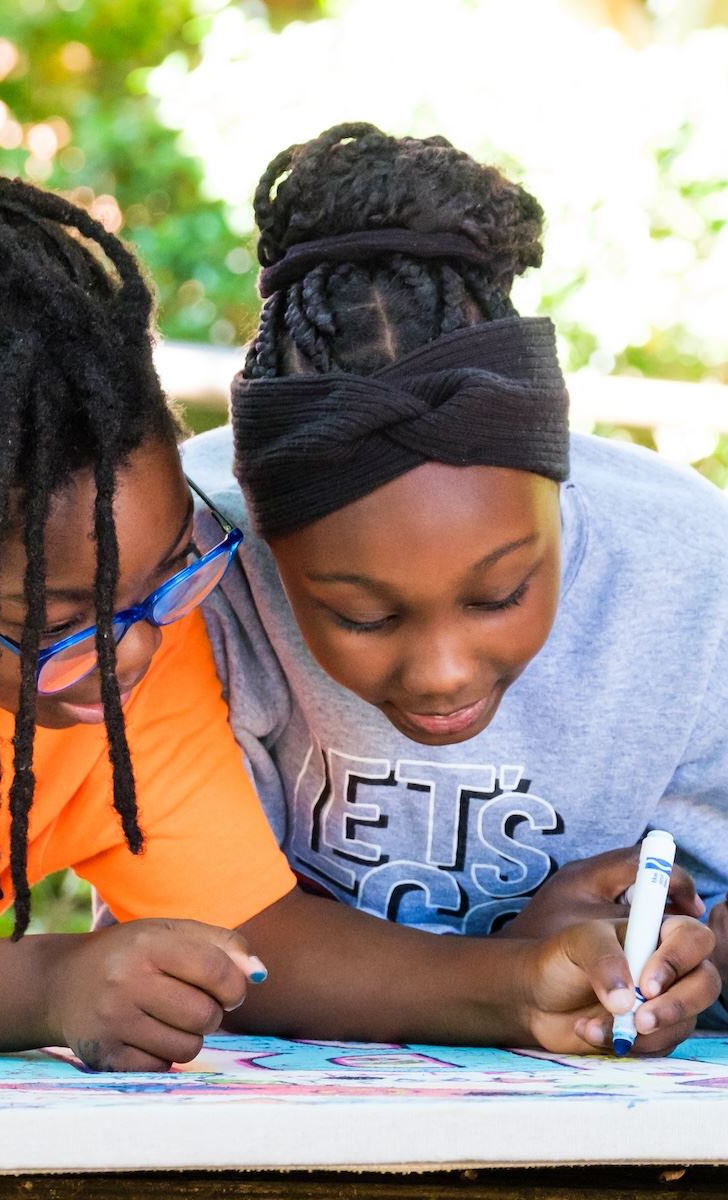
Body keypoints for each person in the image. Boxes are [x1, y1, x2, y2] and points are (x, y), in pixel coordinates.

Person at [0, 122, 715, 1068]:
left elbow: (257, 930)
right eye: (54, 626)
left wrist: (516, 985)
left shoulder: (122, 609)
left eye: (167, 579)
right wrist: (58, 980)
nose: (137, 651)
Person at [183, 122, 728, 1028]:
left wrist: (682, 965)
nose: (442, 671)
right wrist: (512, 970)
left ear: (558, 491)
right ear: (267, 537)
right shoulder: (192, 567)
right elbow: (198, 934)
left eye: (500, 594)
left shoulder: (694, 573)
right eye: (359, 615)